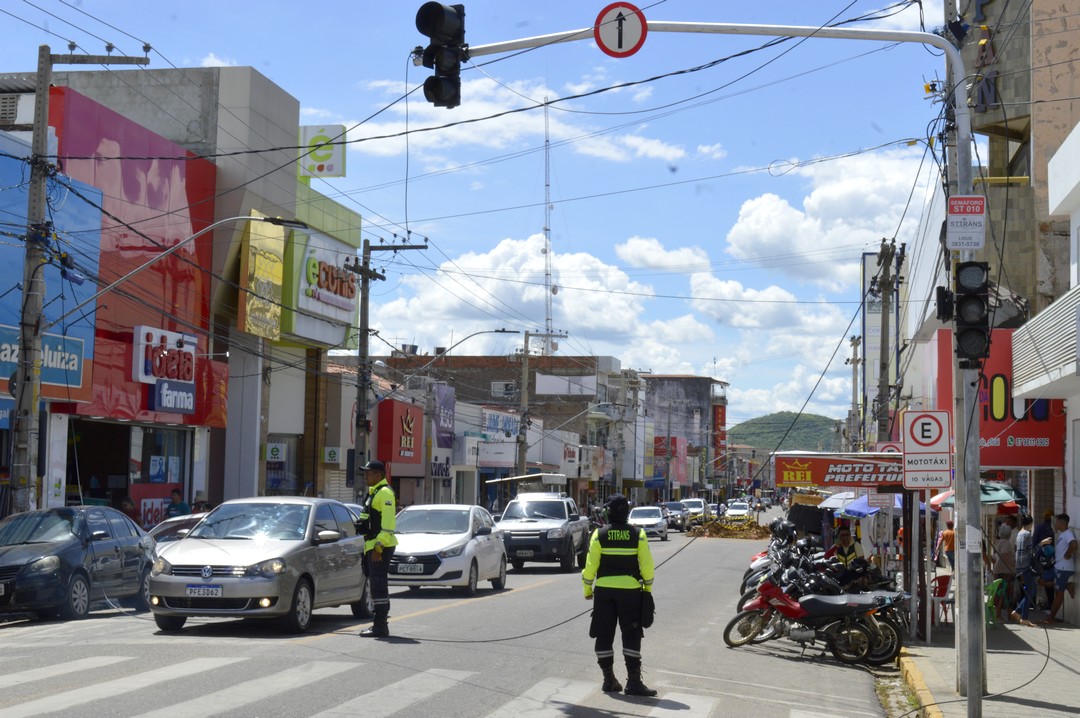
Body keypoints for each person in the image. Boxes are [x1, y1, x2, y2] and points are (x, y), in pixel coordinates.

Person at [581, 494, 656, 697]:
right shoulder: (638, 535)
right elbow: (647, 568)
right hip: (631, 593)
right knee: (631, 634)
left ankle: (608, 680)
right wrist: (647, 590)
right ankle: (633, 682)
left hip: (604, 593)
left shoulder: (599, 534)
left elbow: (589, 569)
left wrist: (588, 590)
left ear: (609, 513)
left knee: (604, 634)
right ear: (627, 512)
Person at [357, 460, 397, 638]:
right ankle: (379, 625)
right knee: (376, 586)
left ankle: (380, 626)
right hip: (372, 546)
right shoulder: (374, 493)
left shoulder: (385, 493)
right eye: (365, 473)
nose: (366, 476)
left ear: (379, 475)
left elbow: (388, 524)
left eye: (369, 473)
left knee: (379, 587)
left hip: (380, 547)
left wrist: (378, 546)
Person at [1041, 513, 1077, 625]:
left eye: (1056, 522)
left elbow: (1074, 544)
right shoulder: (1062, 534)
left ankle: (1051, 617)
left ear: (1062, 523)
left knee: (1058, 594)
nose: (1054, 524)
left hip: (1063, 568)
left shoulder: (1067, 534)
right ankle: (1067, 585)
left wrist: (1068, 554)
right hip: (1058, 567)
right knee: (1041, 580)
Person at [1010, 514, 1038, 627]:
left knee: (1030, 590)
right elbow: (1031, 551)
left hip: (1020, 566)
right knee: (1030, 591)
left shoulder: (1019, 534)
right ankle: (1023, 616)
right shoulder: (1027, 534)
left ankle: (1019, 612)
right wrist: (1042, 544)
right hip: (1027, 566)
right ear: (1030, 524)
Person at [990, 522, 1016, 620]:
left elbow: (992, 558)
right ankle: (1001, 614)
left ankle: (1001, 614)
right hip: (1006, 572)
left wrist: (996, 564)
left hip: (998, 570)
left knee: (999, 593)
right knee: (1007, 594)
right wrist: (1011, 564)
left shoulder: (998, 542)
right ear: (1009, 534)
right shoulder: (1006, 543)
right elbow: (1004, 554)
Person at [1032, 508, 1056, 609]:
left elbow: (1034, 543)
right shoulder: (1053, 528)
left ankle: (1049, 602)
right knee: (1052, 579)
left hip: (1042, 559)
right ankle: (1052, 603)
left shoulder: (1039, 527)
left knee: (1044, 580)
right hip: (1054, 558)